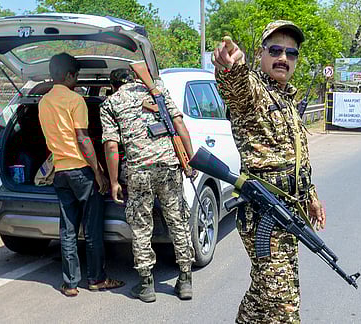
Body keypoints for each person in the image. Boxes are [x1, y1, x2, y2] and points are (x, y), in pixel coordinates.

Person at [212, 21, 326, 323]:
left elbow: (295, 158)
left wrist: (310, 195)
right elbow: (236, 88)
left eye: (291, 53)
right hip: (264, 214)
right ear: (260, 54)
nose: (283, 58)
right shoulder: (255, 94)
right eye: (275, 50)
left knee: (265, 292)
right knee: (284, 304)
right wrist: (230, 67)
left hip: (288, 211)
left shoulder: (287, 100)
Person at [100, 68, 196, 303]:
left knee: (141, 227)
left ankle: (146, 285)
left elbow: (112, 146)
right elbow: (180, 125)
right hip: (170, 167)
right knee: (178, 221)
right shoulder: (158, 91)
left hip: (139, 171)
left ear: (113, 86)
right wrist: (190, 161)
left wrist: (113, 182)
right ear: (134, 79)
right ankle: (185, 281)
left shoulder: (110, 103)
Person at [38, 53, 124, 297]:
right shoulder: (76, 101)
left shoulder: (44, 102)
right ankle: (97, 279)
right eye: (75, 76)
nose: (76, 80)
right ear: (68, 76)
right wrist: (98, 173)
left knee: (67, 229)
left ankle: (70, 283)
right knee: (92, 227)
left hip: (60, 172)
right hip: (80, 171)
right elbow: (83, 138)